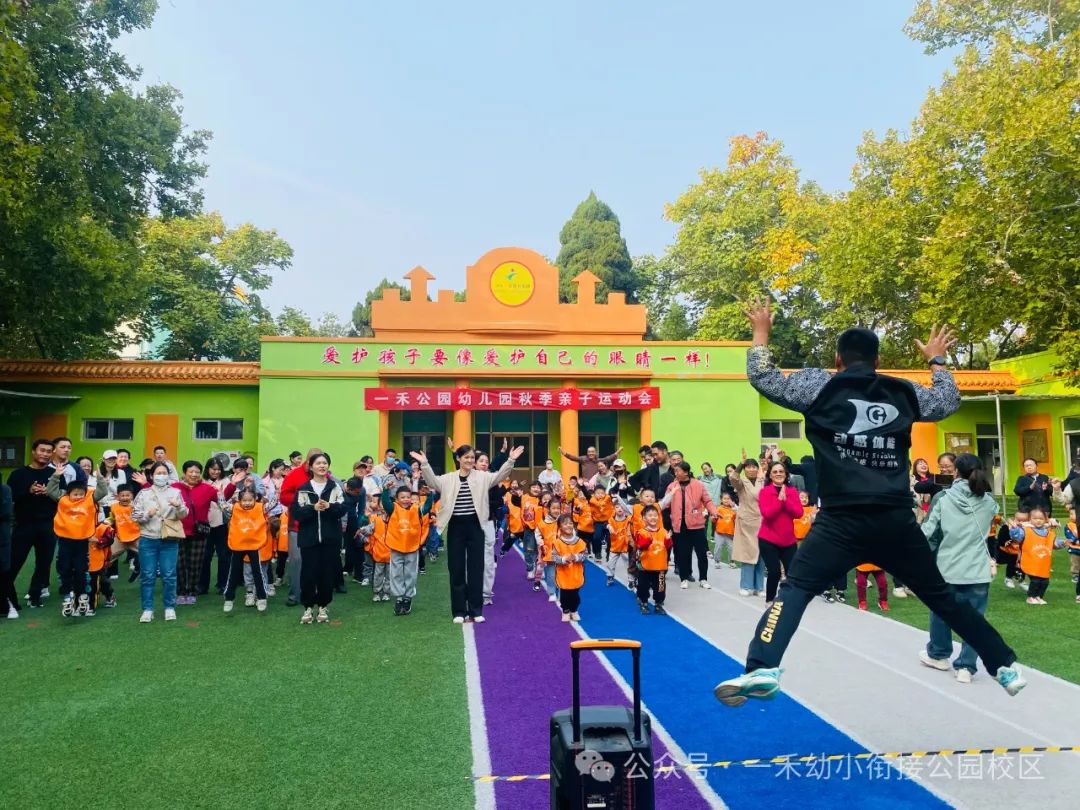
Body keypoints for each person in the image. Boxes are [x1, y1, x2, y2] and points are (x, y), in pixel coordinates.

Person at [714, 301, 1025, 706]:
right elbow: (947, 402)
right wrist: (937, 361)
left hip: (840, 520)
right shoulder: (902, 391)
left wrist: (760, 333)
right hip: (894, 519)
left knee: (796, 589)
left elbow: (763, 377)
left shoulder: (819, 386)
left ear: (837, 359)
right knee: (941, 596)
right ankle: (1004, 665)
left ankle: (761, 667)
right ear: (877, 361)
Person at [415, 443, 523, 624]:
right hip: (456, 526)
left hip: (476, 525)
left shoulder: (482, 477)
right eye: (466, 457)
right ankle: (459, 611)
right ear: (458, 459)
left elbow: (499, 476)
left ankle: (475, 610)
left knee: (476, 568)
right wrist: (425, 464)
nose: (470, 460)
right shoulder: (449, 478)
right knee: (456, 568)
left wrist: (510, 460)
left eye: (472, 457)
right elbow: (433, 482)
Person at [918, 453, 999, 682]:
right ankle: (966, 667)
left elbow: (927, 532)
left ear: (955, 471)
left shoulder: (943, 498)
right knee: (975, 619)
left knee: (941, 612)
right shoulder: (989, 501)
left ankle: (939, 654)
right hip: (978, 568)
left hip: (948, 566)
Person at [174, 460, 238, 606]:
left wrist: (232, 484)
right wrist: (145, 484)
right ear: (185, 473)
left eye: (197, 472)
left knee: (196, 563)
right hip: (179, 531)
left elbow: (222, 499)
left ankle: (192, 591)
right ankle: (180, 592)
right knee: (179, 564)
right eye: (191, 471)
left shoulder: (207, 488)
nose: (194, 474)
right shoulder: (175, 487)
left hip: (199, 532)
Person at [132, 462, 189, 623]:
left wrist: (179, 507)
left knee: (169, 575)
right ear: (151, 475)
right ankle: (147, 609)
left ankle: (169, 607)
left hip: (169, 540)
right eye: (158, 473)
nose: (161, 476)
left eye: (164, 473)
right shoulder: (144, 493)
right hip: (148, 539)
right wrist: (147, 515)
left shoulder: (175, 492)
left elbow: (184, 514)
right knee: (147, 575)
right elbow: (135, 516)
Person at [293, 453, 346, 625]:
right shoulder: (303, 488)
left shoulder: (335, 487)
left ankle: (323, 606)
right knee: (308, 574)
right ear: (311, 466)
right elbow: (296, 513)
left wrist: (329, 506)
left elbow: (343, 508)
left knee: (327, 574)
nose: (322, 466)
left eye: (325, 463)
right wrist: (312, 508)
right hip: (309, 539)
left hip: (330, 539)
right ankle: (308, 607)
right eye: (318, 463)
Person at [47, 469, 108, 617]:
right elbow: (51, 490)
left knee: (81, 569)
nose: (79, 496)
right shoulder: (63, 499)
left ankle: (82, 595)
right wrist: (56, 475)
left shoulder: (89, 499)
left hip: (81, 541)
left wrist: (100, 477)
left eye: (81, 494)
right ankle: (68, 594)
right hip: (65, 540)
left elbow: (102, 491)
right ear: (68, 494)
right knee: (65, 568)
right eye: (75, 494)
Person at [8, 438, 59, 607]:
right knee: (14, 561)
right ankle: (6, 596)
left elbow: (64, 498)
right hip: (23, 525)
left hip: (48, 524)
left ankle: (35, 595)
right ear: (33, 451)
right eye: (42, 450)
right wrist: (28, 491)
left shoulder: (55, 474)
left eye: (49, 451)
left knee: (44, 563)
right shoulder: (18, 474)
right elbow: (11, 497)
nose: (45, 454)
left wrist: (49, 492)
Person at [380, 482, 436, 616]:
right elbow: (385, 502)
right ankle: (399, 598)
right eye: (402, 497)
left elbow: (427, 507)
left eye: (408, 497)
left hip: (412, 547)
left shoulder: (416, 509)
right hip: (396, 547)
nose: (405, 499)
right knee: (396, 574)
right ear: (397, 499)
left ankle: (408, 598)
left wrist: (429, 495)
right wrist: (386, 490)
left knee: (410, 574)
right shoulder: (393, 508)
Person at [661, 461, 719, 589]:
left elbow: (707, 501)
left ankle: (703, 579)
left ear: (686, 472)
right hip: (679, 525)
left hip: (696, 525)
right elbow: (665, 503)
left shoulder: (698, 484)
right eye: (675, 471)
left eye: (677, 471)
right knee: (682, 553)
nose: (675, 473)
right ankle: (684, 578)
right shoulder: (672, 486)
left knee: (701, 553)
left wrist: (714, 511)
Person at [756, 461, 804, 604]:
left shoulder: (792, 492)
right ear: (770, 475)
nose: (778, 474)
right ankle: (770, 600)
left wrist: (786, 500)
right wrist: (779, 500)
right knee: (775, 572)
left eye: (781, 471)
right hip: (768, 539)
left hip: (788, 540)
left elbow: (799, 513)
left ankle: (788, 598)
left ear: (786, 474)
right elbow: (767, 514)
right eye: (775, 472)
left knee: (792, 573)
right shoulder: (765, 492)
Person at [224, 487, 269, 613]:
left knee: (257, 572)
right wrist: (221, 494)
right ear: (239, 500)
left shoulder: (261, 507)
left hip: (253, 545)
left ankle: (262, 598)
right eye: (244, 500)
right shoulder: (234, 508)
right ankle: (229, 598)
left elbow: (274, 503)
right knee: (234, 572)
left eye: (250, 500)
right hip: (238, 544)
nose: (247, 503)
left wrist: (275, 494)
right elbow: (222, 504)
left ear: (255, 499)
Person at [200, 458, 237, 594]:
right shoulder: (202, 482)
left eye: (218, 469)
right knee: (205, 556)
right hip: (205, 523)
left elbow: (233, 497)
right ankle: (202, 586)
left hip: (222, 523)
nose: (216, 472)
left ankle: (222, 584)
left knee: (224, 556)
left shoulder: (227, 481)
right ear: (207, 469)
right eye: (213, 469)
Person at [729, 457, 765, 596]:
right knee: (748, 554)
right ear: (745, 469)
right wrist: (740, 464)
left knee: (761, 553)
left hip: (763, 520)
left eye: (754, 466)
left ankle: (759, 587)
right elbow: (733, 478)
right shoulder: (741, 482)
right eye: (748, 467)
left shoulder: (762, 480)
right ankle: (746, 586)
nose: (751, 469)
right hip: (747, 522)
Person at [1009, 507, 1056, 605]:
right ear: (1030, 519)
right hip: (1031, 561)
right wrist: (1014, 529)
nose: (1038, 520)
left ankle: (1039, 596)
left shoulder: (1048, 532)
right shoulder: (1025, 530)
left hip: (1042, 563)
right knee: (1035, 580)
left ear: (1045, 519)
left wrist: (1063, 543)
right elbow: (1016, 537)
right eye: (1035, 518)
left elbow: (1054, 543)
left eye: (1041, 518)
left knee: (1045, 582)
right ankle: (1031, 597)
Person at [635, 504, 672, 615]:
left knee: (660, 587)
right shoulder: (641, 532)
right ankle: (644, 602)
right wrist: (648, 540)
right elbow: (640, 545)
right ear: (644, 518)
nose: (653, 517)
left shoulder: (664, 531)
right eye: (650, 515)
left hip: (660, 566)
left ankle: (658, 604)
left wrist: (668, 540)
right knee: (643, 586)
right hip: (645, 566)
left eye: (655, 515)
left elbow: (668, 547)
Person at [551, 513, 587, 623]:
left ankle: (574, 610)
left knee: (575, 596)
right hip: (563, 573)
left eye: (570, 523)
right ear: (560, 527)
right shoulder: (557, 543)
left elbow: (585, 555)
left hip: (576, 573)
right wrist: (563, 559)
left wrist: (576, 557)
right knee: (565, 595)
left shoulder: (580, 542)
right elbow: (554, 557)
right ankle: (566, 611)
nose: (568, 525)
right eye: (565, 524)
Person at [536, 497, 562, 602]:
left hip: (563, 553)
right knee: (551, 574)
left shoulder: (563, 521)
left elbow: (571, 531)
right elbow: (538, 534)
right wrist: (541, 544)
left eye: (558, 508)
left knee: (562, 573)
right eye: (553, 508)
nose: (556, 510)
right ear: (549, 509)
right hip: (550, 553)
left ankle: (562, 591)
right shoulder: (543, 523)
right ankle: (552, 592)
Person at [605, 498, 633, 586]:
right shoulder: (611, 519)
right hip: (614, 546)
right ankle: (610, 576)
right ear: (614, 509)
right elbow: (605, 524)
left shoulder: (629, 519)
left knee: (628, 564)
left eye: (621, 507)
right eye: (617, 507)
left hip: (625, 546)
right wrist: (609, 526)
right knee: (610, 563)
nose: (619, 509)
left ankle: (631, 579)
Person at [0, 472, 16, 618]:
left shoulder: (4, 489)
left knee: (3, 571)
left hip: (2, 537)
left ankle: (8, 605)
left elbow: (5, 513)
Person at [712, 492, 738, 568]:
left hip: (730, 533)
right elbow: (714, 520)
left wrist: (735, 509)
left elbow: (736, 520)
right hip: (719, 533)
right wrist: (713, 518)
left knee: (731, 548)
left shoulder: (733, 510)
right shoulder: (718, 508)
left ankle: (732, 562)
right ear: (721, 500)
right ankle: (717, 561)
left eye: (728, 498)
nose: (726, 500)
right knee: (718, 547)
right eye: (724, 498)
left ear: (731, 500)